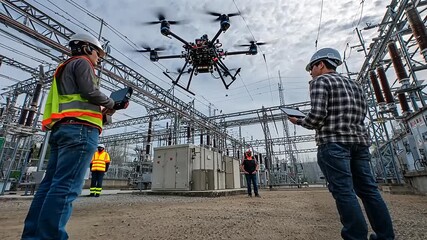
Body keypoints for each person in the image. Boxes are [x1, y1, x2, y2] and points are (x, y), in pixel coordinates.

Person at [21, 33, 129, 240]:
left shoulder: (64, 68)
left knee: (50, 186)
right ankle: (49, 237)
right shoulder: (82, 62)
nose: (99, 59)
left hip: (64, 130)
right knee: (65, 187)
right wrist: (112, 103)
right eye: (98, 53)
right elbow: (90, 92)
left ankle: (33, 236)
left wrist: (106, 111)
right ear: (88, 49)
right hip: (80, 131)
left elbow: (80, 101)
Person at [288, 48, 394, 240]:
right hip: (360, 143)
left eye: (311, 68)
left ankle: (355, 237)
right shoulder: (355, 85)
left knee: (344, 191)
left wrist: (300, 121)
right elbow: (361, 114)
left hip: (333, 144)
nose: (310, 73)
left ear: (320, 64)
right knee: (369, 191)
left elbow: (317, 117)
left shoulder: (320, 82)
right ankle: (385, 236)